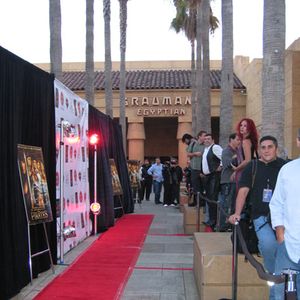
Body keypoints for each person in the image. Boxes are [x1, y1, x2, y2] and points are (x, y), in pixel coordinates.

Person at [228, 136, 286, 300]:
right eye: (263, 147)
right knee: (268, 245)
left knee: (285, 255)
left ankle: (277, 289)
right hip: (260, 217)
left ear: (276, 148)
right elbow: (243, 192)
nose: (266, 150)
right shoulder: (252, 167)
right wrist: (237, 212)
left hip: (283, 219)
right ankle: (275, 279)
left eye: (270, 147)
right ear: (259, 149)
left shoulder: (284, 167)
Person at [270, 130, 300, 300]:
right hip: (289, 246)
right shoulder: (287, 170)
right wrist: (280, 235)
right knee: (279, 293)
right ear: (298, 142)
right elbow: (276, 203)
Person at [218, 133, 241, 231]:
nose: (239, 141)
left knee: (232, 204)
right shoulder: (226, 151)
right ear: (231, 140)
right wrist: (236, 157)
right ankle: (223, 225)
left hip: (235, 181)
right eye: (237, 139)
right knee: (226, 203)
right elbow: (228, 164)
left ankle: (230, 224)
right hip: (227, 181)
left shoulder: (238, 151)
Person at [201, 133, 223, 228]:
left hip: (214, 176)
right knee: (209, 198)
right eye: (205, 139)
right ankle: (211, 219)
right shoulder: (206, 149)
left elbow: (223, 157)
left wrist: (221, 166)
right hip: (207, 176)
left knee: (212, 198)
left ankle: (213, 220)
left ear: (213, 140)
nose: (206, 140)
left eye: (208, 139)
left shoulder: (215, 147)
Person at [182, 131, 206, 206]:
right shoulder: (193, 144)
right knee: (195, 186)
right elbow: (188, 154)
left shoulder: (206, 145)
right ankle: (196, 202)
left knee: (203, 186)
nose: (205, 138)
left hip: (203, 169)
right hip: (195, 168)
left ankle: (202, 203)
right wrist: (195, 154)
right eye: (204, 136)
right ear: (199, 136)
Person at [234, 118, 259, 184]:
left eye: (245, 126)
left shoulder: (246, 141)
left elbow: (248, 160)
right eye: (241, 125)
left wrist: (236, 169)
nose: (242, 127)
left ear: (250, 128)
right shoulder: (250, 140)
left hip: (246, 171)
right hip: (251, 170)